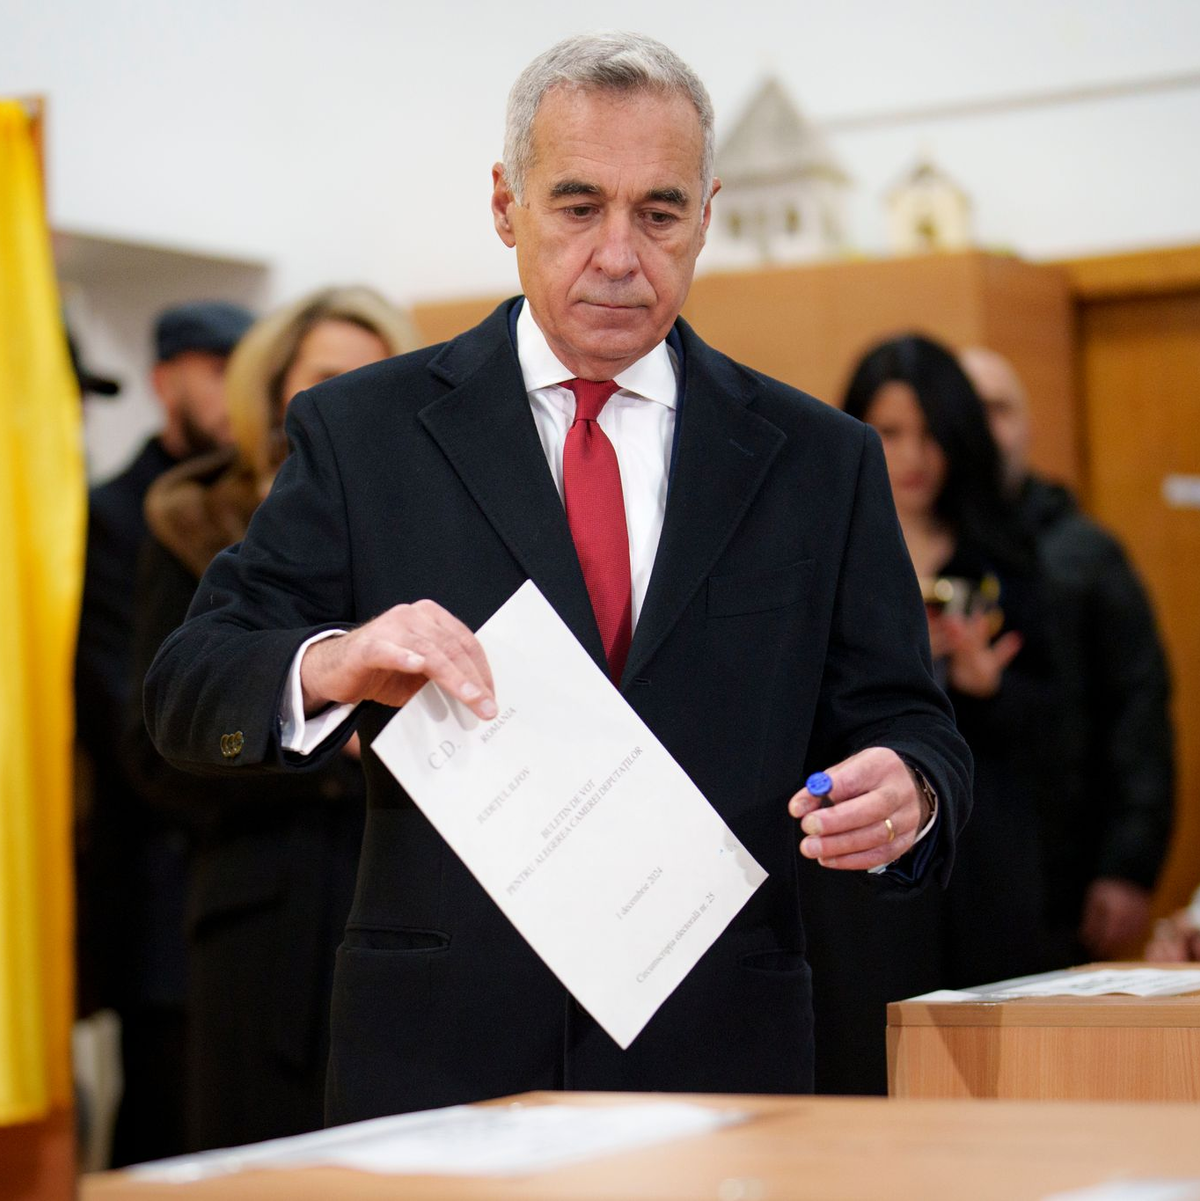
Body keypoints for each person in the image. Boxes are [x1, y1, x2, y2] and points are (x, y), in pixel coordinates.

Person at [145, 33, 971, 1124]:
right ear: (506, 204)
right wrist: (337, 660)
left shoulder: (820, 460)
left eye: (660, 212)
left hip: (718, 1050)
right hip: (441, 1063)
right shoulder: (366, 435)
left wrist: (910, 793)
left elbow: (916, 728)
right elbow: (187, 685)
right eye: (578, 207)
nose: (620, 254)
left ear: (708, 213)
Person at [125, 287, 418, 1150]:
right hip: (263, 915)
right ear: (276, 389)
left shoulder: (426, 529)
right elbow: (152, 744)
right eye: (326, 377)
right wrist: (329, 743)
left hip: (404, 904)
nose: (348, 399)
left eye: (373, 378)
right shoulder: (192, 524)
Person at [801, 334, 1065, 1093]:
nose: (912, 454)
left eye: (930, 432)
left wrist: (988, 686)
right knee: (873, 1055)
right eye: (888, 430)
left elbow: (1061, 726)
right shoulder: (828, 550)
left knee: (999, 1072)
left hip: (989, 854)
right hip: (865, 869)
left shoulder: (1004, 558)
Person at [75, 300, 253, 1166]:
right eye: (212, 367)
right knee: (163, 1130)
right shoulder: (116, 514)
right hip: (162, 885)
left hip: (258, 872)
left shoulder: (270, 500)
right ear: (164, 380)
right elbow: (133, 718)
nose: (232, 387)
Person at [961, 347, 1174, 958]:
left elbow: (1138, 713)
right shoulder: (912, 547)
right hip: (960, 873)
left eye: (999, 409)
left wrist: (1130, 864)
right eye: (969, 412)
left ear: (1029, 426)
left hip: (1068, 876)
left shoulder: (1086, 555)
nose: (984, 427)